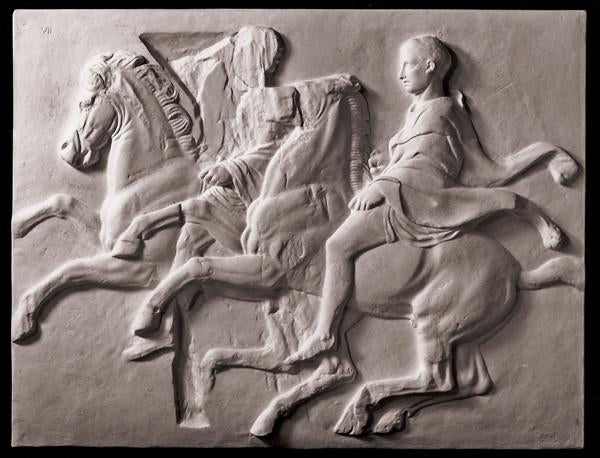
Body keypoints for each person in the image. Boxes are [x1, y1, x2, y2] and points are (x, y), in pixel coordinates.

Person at [285, 35, 562, 363]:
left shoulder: (444, 109)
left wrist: (548, 153)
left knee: (336, 246)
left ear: (430, 67)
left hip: (415, 197)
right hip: (397, 188)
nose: (401, 73)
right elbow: (412, 159)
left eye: (408, 64)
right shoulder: (415, 113)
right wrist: (382, 169)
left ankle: (325, 335)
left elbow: (482, 170)